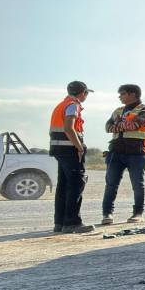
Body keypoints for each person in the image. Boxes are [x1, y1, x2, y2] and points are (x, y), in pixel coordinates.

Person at [101, 84, 145, 225]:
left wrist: (118, 125)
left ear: (133, 94)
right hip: (115, 152)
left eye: (122, 93)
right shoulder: (118, 111)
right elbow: (107, 127)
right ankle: (107, 214)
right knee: (111, 184)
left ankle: (138, 213)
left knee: (138, 185)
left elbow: (135, 125)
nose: (120, 96)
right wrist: (124, 125)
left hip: (136, 153)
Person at [48, 81, 93, 233]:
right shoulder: (73, 105)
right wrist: (79, 147)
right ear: (83, 93)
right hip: (70, 150)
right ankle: (72, 223)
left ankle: (60, 223)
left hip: (59, 150)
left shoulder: (61, 105)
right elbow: (69, 128)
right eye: (86, 93)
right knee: (75, 186)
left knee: (63, 186)